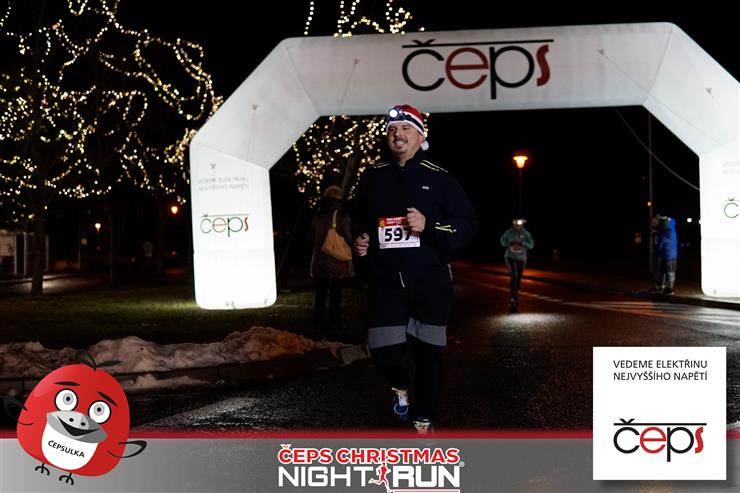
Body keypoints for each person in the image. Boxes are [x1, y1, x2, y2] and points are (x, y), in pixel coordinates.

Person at [351, 104, 478, 433]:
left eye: (406, 128)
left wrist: (429, 225)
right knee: (384, 354)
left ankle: (425, 417)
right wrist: (360, 237)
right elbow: (359, 217)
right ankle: (400, 383)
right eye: (392, 130)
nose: (398, 134)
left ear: (421, 136)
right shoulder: (373, 176)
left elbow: (468, 223)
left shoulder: (439, 177)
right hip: (385, 283)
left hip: (429, 283)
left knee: (428, 356)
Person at [308, 185, 355, 337]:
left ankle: (318, 322)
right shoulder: (341, 215)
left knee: (320, 293)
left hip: (319, 261)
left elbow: (311, 237)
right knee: (336, 293)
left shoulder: (317, 215)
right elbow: (348, 236)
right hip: (336, 261)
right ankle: (335, 322)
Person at [500, 219, 534, 310]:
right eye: (516, 225)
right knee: (514, 275)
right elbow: (502, 240)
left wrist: (523, 243)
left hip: (522, 259)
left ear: (522, 225)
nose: (518, 226)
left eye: (520, 225)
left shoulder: (526, 233)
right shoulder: (509, 232)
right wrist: (507, 243)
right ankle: (513, 297)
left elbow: (531, 245)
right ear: (514, 224)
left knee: (518, 277)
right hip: (510, 257)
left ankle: (514, 295)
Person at [651, 215, 677, 295]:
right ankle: (665, 287)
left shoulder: (664, 232)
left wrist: (656, 234)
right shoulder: (671, 228)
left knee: (666, 272)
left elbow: (660, 244)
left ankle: (668, 288)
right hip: (672, 254)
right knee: (669, 271)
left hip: (666, 254)